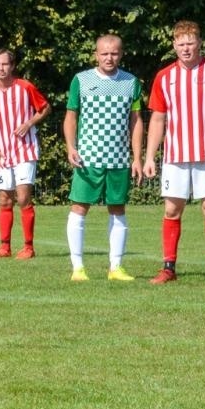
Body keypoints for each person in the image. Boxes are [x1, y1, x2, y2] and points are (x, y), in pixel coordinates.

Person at [142, 20, 205, 285]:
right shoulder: (165, 76)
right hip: (175, 155)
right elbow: (158, 119)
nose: (186, 48)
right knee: (172, 209)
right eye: (181, 43)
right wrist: (150, 155)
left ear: (200, 43)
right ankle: (168, 268)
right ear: (174, 45)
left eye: (190, 43)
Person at [63, 35, 143, 282]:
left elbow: (136, 120)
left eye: (115, 53)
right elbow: (71, 116)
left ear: (121, 54)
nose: (110, 58)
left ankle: (115, 268)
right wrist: (71, 147)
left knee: (118, 210)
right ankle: (78, 268)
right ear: (96, 54)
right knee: (79, 208)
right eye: (104, 53)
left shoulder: (131, 82)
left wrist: (137, 157)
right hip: (88, 159)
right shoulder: (81, 80)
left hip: (118, 159)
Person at [0, 48, 49, 259]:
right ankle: (5, 247)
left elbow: (45, 108)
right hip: (3, 154)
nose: (1, 68)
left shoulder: (25, 87)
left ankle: (28, 247)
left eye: (5, 64)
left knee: (23, 198)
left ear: (12, 66)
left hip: (25, 151)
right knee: (4, 199)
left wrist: (29, 123)